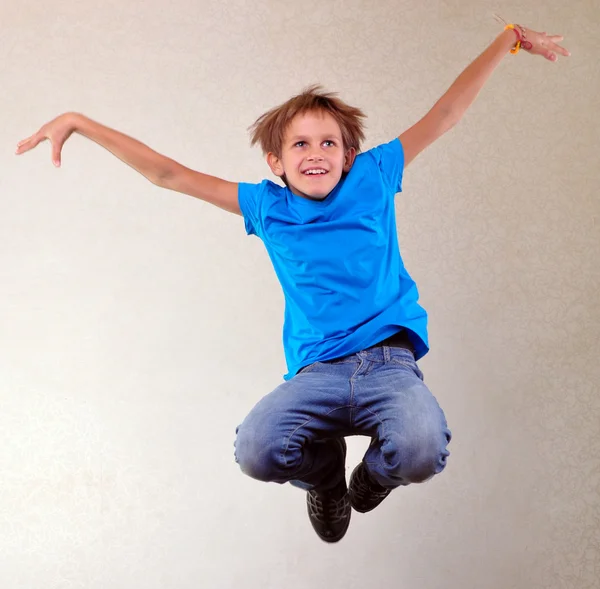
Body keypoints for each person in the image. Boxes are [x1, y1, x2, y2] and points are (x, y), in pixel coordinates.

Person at [16, 22, 569, 543]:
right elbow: (171, 174)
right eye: (300, 145)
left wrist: (511, 40)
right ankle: (326, 478)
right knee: (257, 451)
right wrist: (79, 122)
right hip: (317, 372)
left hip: (388, 366)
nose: (316, 154)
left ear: (349, 155)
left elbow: (447, 113)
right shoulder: (267, 206)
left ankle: (370, 480)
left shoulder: (375, 176)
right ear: (275, 161)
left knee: (421, 449)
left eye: (328, 143)